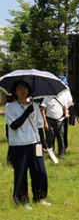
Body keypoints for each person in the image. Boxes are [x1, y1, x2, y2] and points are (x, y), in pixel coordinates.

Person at [5, 81, 50, 210]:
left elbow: (39, 125)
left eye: (24, 87)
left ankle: (39, 197)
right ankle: (22, 200)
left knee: (40, 171)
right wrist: (26, 112)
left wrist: (43, 141)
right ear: (15, 91)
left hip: (35, 143)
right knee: (21, 173)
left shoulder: (35, 105)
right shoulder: (10, 107)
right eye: (19, 88)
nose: (22, 90)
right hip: (18, 145)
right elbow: (13, 125)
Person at [41, 92, 69, 160]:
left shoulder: (62, 98)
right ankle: (51, 155)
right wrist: (45, 122)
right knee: (50, 139)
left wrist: (66, 114)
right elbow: (43, 110)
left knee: (61, 137)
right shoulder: (47, 98)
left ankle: (61, 153)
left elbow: (65, 108)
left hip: (60, 120)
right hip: (49, 120)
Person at [58, 76, 73, 153]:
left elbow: (70, 100)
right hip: (57, 111)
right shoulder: (56, 89)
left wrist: (70, 105)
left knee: (64, 130)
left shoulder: (67, 89)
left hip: (65, 111)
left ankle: (64, 147)